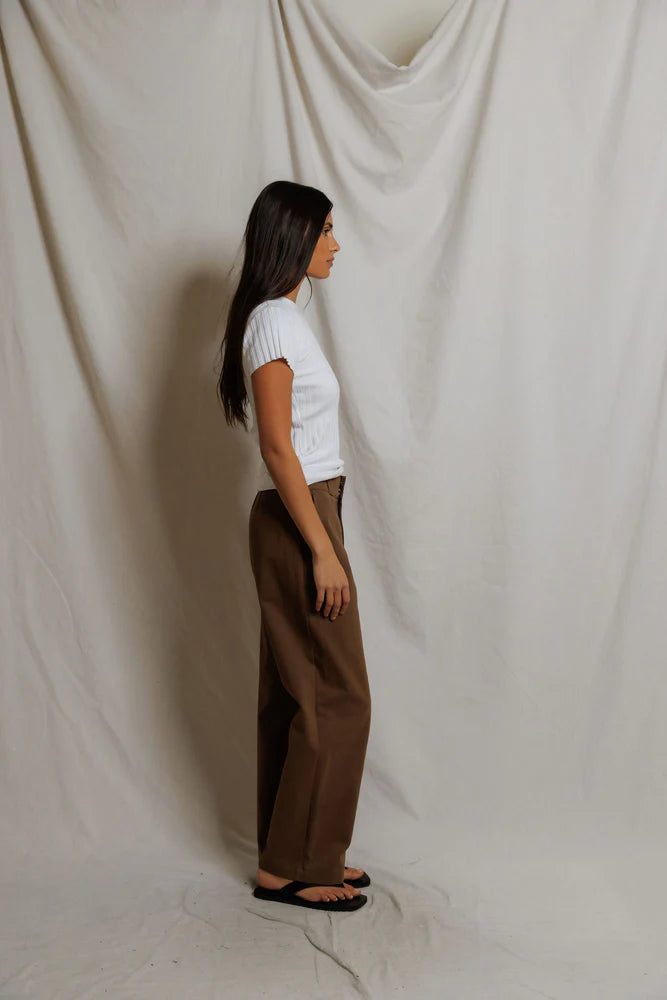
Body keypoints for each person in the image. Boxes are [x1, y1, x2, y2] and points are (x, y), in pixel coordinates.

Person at [216, 180, 372, 912]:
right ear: (295, 237)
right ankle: (304, 864)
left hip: (305, 508)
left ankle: (288, 860)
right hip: (299, 513)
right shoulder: (273, 322)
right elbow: (278, 448)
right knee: (337, 696)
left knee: (294, 694)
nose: (335, 244)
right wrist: (322, 550)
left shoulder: (276, 318)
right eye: (326, 230)